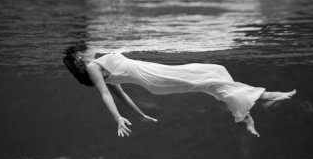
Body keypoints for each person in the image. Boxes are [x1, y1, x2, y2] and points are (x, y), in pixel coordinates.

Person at [63, 43, 296, 138]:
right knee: (207, 79)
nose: (89, 48)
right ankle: (262, 98)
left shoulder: (99, 66)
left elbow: (122, 95)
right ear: (80, 59)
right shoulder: (94, 67)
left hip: (155, 76)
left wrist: (140, 114)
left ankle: (244, 113)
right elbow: (107, 94)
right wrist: (118, 118)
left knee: (213, 71)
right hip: (155, 78)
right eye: (83, 51)